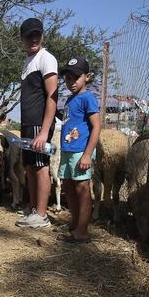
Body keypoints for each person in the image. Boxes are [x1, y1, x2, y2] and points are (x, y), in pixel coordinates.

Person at [15, 18, 58, 228]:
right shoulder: (27, 61)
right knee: (30, 167)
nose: (33, 39)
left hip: (39, 124)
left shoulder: (46, 58)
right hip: (27, 123)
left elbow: (52, 95)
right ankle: (34, 210)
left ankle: (42, 215)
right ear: (21, 38)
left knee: (41, 167)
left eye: (37, 34)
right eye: (29, 35)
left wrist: (44, 131)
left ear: (42, 35)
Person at [57, 57, 101, 243]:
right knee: (68, 185)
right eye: (67, 78)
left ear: (87, 77)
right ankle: (75, 223)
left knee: (82, 188)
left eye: (75, 77)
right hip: (67, 150)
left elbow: (96, 127)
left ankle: (82, 231)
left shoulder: (88, 98)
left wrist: (87, 154)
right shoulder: (69, 99)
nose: (71, 82)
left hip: (80, 152)